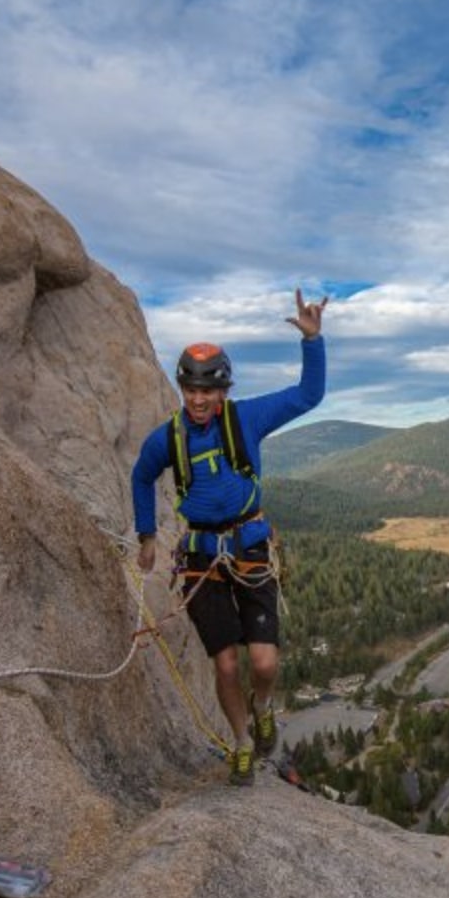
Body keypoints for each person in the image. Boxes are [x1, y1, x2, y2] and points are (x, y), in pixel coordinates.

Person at [132, 288, 328, 786]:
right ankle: (242, 743)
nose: (198, 399)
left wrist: (312, 341)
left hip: (249, 549)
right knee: (224, 665)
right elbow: (140, 475)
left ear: (223, 390)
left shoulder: (246, 419)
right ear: (183, 389)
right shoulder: (168, 438)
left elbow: (308, 396)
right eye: (191, 390)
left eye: (208, 390)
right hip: (201, 557)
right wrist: (147, 535)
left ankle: (264, 707)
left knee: (263, 662)